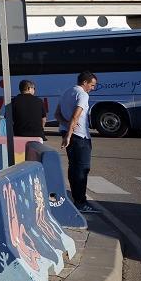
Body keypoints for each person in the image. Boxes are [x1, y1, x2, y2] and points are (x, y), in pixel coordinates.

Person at [57, 71, 99, 214]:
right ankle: (81, 202)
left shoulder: (66, 92)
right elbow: (76, 116)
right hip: (79, 137)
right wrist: (69, 133)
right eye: (92, 85)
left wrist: (66, 126)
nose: (92, 88)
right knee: (82, 169)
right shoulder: (82, 94)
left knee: (73, 167)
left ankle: (76, 199)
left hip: (68, 133)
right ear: (85, 82)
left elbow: (57, 114)